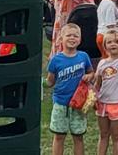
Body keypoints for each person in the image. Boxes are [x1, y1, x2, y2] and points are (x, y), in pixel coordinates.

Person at [48, 24, 92, 155]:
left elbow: (91, 72)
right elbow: (51, 81)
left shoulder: (83, 56)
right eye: (69, 35)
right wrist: (43, 83)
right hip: (60, 103)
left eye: (75, 36)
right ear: (61, 38)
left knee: (78, 137)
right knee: (59, 136)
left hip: (79, 103)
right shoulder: (56, 60)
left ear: (80, 39)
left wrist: (89, 76)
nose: (72, 38)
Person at [93, 27, 118, 155]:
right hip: (103, 103)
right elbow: (97, 83)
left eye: (116, 41)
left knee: (116, 136)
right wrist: (93, 96)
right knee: (103, 134)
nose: (113, 44)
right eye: (109, 42)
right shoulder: (102, 63)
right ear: (104, 47)